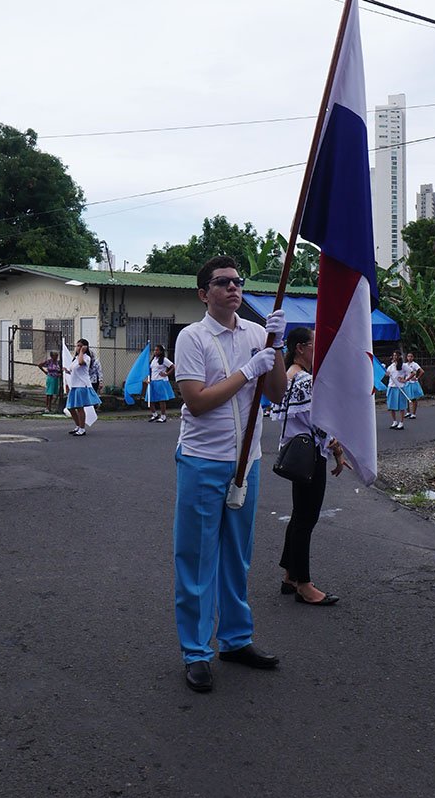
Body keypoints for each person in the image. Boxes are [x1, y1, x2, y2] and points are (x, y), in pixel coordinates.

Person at [173, 256, 287, 693]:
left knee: (237, 556)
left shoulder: (257, 334)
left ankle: (236, 639)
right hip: (203, 460)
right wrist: (247, 371)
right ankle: (196, 652)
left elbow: (276, 391)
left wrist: (275, 347)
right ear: (204, 294)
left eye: (238, 281)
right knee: (197, 558)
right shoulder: (192, 337)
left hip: (246, 462)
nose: (233, 288)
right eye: (223, 283)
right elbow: (197, 401)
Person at [272, 327, 346, 606]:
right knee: (306, 519)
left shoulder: (287, 377)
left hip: (296, 454)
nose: (319, 350)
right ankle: (304, 584)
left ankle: (290, 576)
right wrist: (337, 450)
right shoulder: (304, 381)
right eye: (315, 345)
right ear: (301, 348)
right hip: (311, 455)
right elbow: (319, 425)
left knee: (299, 515)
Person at [64, 338, 101, 437]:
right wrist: (66, 371)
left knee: (80, 408)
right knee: (71, 408)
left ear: (85, 347)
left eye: (80, 346)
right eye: (77, 346)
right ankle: (78, 426)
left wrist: (82, 352)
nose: (78, 348)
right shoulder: (76, 358)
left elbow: (81, 363)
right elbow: (73, 370)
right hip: (74, 386)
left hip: (82, 385)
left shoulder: (86, 357)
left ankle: (82, 429)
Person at [146, 344, 175, 422]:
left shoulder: (164, 360)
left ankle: (163, 416)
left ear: (161, 351)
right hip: (152, 381)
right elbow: (150, 370)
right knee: (150, 399)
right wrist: (148, 379)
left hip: (160, 381)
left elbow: (173, 367)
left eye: (157, 350)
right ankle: (154, 415)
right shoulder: (153, 360)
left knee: (161, 399)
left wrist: (166, 374)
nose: (155, 351)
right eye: (155, 350)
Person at [385, 350, 409, 429]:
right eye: (393, 355)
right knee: (391, 406)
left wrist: (405, 380)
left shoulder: (404, 365)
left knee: (401, 406)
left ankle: (401, 422)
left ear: (399, 356)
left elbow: (413, 373)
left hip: (400, 387)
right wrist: (386, 373)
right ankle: (394, 421)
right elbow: (387, 374)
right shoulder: (391, 366)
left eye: (396, 355)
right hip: (391, 387)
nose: (394, 357)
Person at [403, 351, 425, 419]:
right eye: (408, 356)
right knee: (406, 398)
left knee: (413, 398)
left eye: (411, 356)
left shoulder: (415, 364)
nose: (410, 358)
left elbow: (422, 371)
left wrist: (417, 377)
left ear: (413, 357)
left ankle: (413, 413)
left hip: (413, 383)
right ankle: (408, 412)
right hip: (406, 382)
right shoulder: (405, 364)